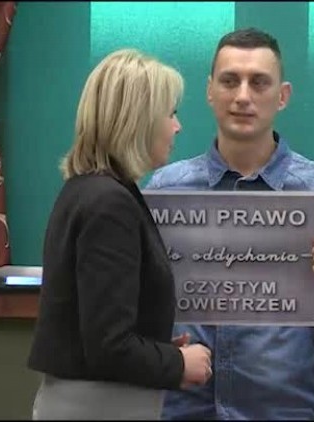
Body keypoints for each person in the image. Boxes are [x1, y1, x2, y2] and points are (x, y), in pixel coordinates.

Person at [145, 28, 314, 420]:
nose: (243, 96)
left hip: (281, 410)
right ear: (210, 91)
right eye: (230, 81)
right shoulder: (164, 190)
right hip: (183, 408)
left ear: (283, 96)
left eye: (259, 83)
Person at [27, 49, 213, 420]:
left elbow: (97, 325)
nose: (177, 127)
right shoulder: (109, 204)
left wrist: (159, 350)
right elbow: (109, 346)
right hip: (100, 408)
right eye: (171, 113)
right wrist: (178, 363)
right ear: (139, 120)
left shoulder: (89, 190)